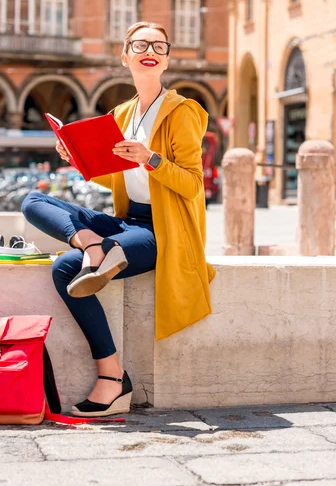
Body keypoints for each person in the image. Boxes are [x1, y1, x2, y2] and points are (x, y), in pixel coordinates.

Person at [21, 21, 216, 417]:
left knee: (65, 270)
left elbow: (194, 185)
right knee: (31, 201)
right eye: (140, 43)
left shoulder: (183, 111)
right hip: (125, 221)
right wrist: (76, 158)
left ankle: (111, 378)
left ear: (166, 57)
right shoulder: (123, 113)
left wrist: (150, 158)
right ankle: (93, 245)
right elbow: (116, 177)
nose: (150, 49)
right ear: (124, 55)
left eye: (159, 45)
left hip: (163, 230)